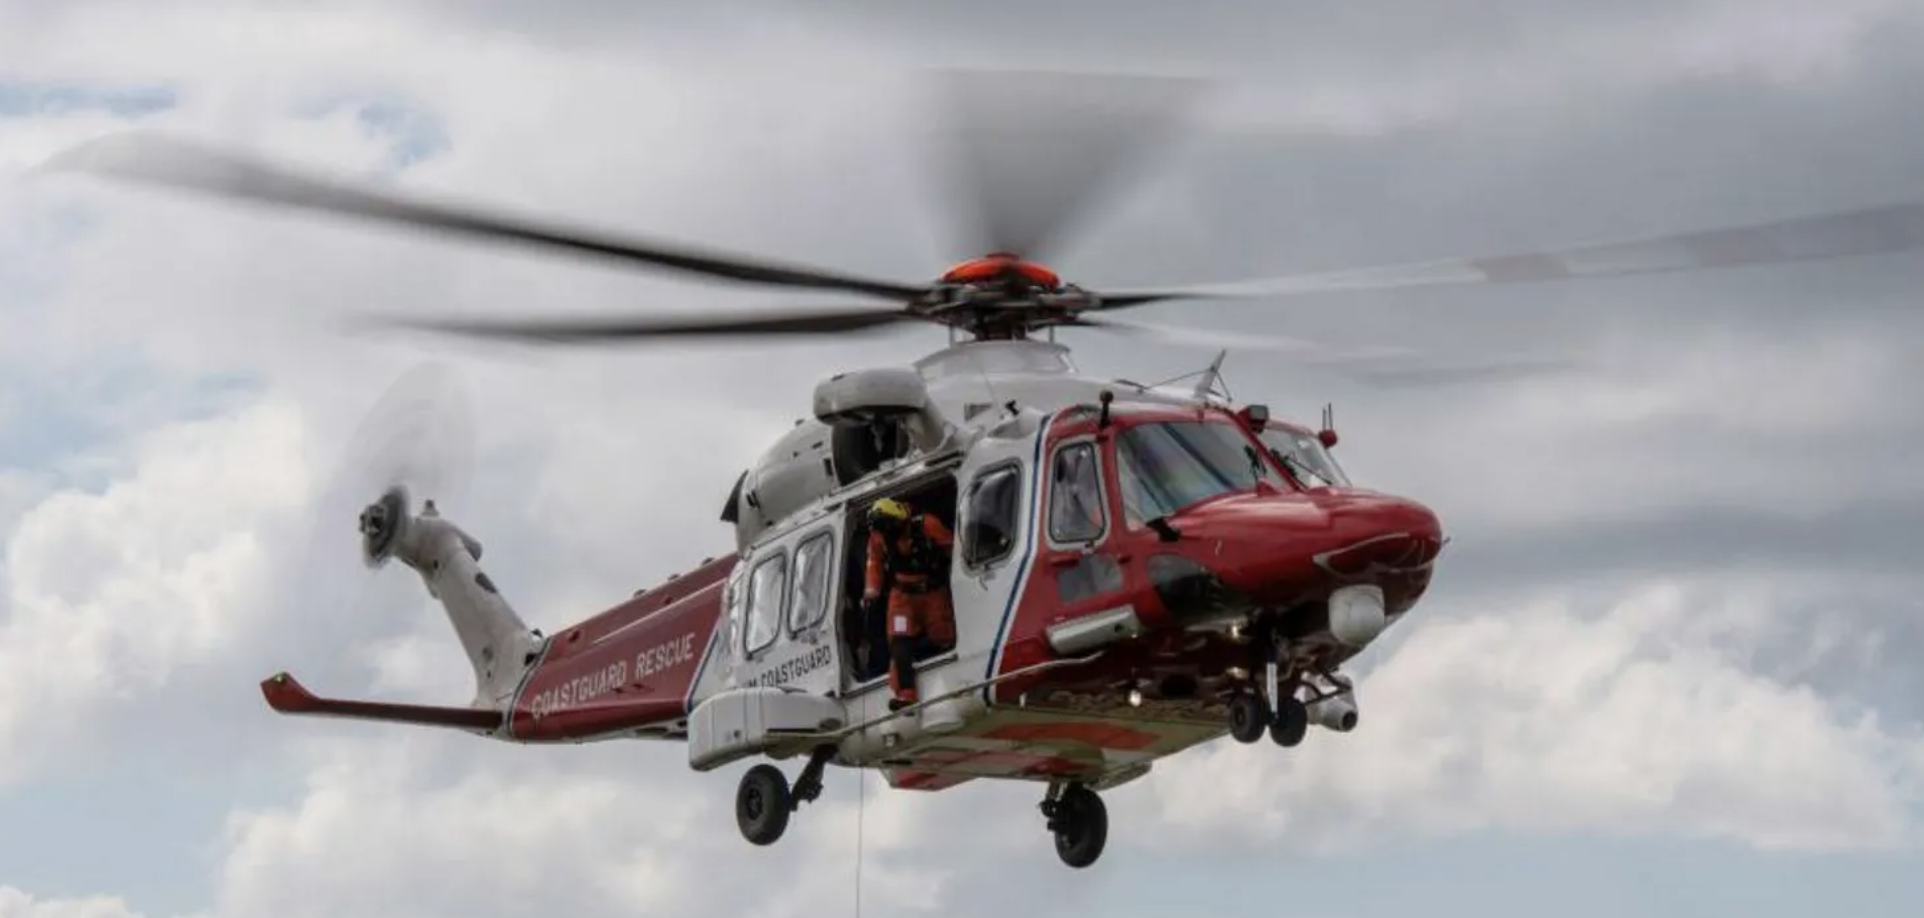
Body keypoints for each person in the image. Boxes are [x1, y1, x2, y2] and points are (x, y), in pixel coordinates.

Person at [861, 496, 956, 711]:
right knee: (899, 641)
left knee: (941, 636)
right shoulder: (878, 536)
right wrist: (871, 590)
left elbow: (950, 546)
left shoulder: (926, 524)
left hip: (932, 592)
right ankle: (906, 694)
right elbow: (874, 563)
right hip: (902, 597)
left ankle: (927, 663)